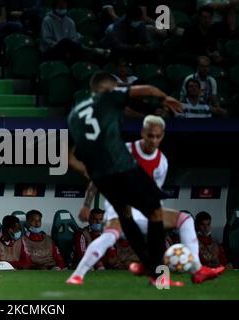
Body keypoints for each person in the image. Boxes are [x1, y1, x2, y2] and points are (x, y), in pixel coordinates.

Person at [67, 114, 224, 285]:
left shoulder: (161, 162)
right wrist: (86, 205)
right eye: (150, 135)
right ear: (142, 133)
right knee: (110, 235)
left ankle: (195, 269)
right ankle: (78, 275)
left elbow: (152, 194)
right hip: (120, 203)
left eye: (157, 136)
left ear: (162, 136)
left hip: (143, 206)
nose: (153, 140)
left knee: (185, 219)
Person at [67, 71, 187, 287]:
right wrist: (164, 98)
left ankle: (149, 268)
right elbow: (147, 90)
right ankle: (158, 273)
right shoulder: (109, 96)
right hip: (122, 167)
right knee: (156, 212)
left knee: (125, 215)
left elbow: (68, 156)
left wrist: (87, 170)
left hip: (101, 176)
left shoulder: (74, 115)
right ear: (107, 88)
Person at [40, 0, 86, 65]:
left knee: (78, 45)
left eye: (64, 3)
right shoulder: (47, 20)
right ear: (55, 5)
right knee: (65, 42)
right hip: (51, 51)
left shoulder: (70, 22)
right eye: (60, 3)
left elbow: (74, 39)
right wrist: (60, 45)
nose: (62, 5)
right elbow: (46, 40)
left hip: (67, 50)